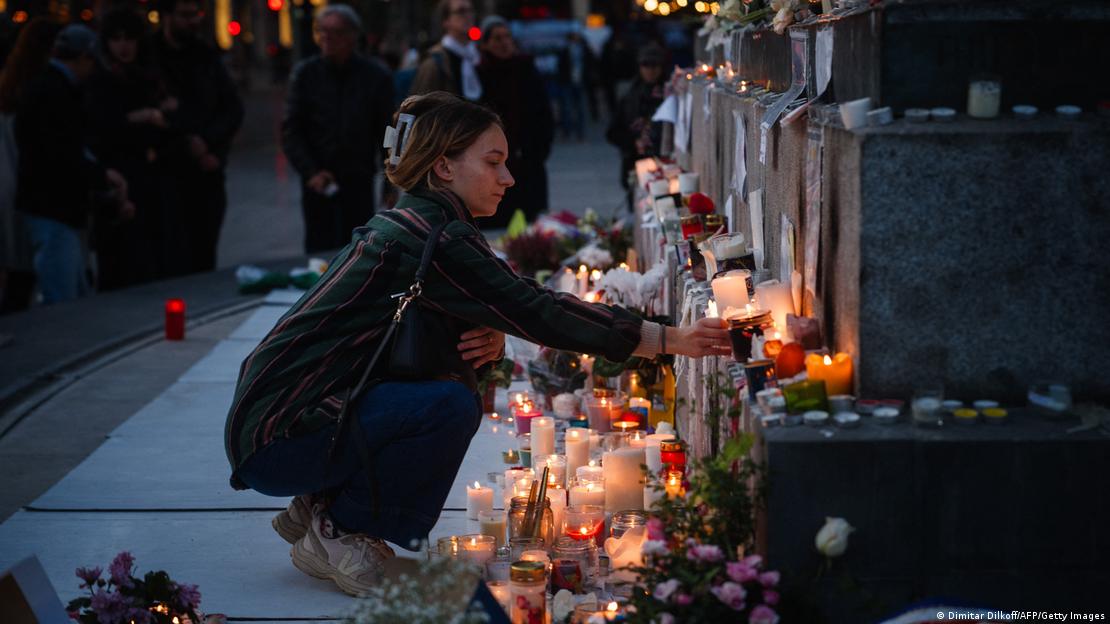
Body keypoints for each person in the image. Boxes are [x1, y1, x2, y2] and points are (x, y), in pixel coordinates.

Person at [224, 91, 733, 596]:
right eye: (493, 163)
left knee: (448, 384)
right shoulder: (437, 238)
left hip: (273, 422)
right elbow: (536, 308)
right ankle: (341, 528)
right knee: (447, 404)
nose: (508, 178)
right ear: (444, 167)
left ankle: (319, 500)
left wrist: (492, 335)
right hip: (278, 436)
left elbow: (439, 324)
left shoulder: (417, 222)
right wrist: (664, 338)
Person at [14, 24, 133, 305]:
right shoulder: (56, 93)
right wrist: (102, 177)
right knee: (63, 297)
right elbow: (63, 155)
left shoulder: (46, 87)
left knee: (70, 288)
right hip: (54, 208)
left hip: (51, 206)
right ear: (82, 58)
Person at [281, 5, 394, 254]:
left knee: (358, 248)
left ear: (353, 35)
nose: (327, 38)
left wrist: (390, 182)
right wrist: (311, 172)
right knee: (320, 248)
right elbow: (291, 130)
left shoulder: (375, 76)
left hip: (358, 178)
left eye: (336, 32)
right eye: (322, 31)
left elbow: (387, 133)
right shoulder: (305, 74)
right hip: (318, 179)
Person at [85, 7, 176, 289]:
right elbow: (99, 129)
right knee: (119, 260)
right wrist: (139, 118)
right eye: (117, 39)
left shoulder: (147, 76)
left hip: (149, 179)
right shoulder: (100, 80)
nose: (123, 46)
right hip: (118, 179)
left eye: (129, 38)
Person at [151, 0, 243, 274]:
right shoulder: (151, 56)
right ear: (167, 16)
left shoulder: (205, 55)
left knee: (203, 254)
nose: (193, 21)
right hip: (166, 175)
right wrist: (186, 138)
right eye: (185, 15)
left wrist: (210, 146)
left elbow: (231, 108)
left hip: (206, 174)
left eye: (196, 14)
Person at [0, 18, 57, 312]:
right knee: (27, 269)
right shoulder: (40, 92)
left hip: (10, 181)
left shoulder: (11, 87)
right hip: (25, 187)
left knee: (17, 273)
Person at [476, 15, 553, 228]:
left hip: (528, 157)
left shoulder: (525, 67)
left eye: (507, 37)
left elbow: (543, 111)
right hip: (494, 161)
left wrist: (541, 147)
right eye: (497, 38)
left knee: (530, 221)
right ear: (486, 44)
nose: (504, 43)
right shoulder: (480, 72)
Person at [606, 43, 667, 191]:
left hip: (665, 163)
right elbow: (613, 132)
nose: (650, 71)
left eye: (655, 65)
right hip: (635, 162)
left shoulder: (669, 93)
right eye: (646, 65)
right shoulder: (630, 96)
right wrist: (634, 142)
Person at [409, 0, 481, 101]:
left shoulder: (477, 55)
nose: (468, 15)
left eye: (470, 10)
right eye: (461, 11)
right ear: (446, 21)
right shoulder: (434, 62)